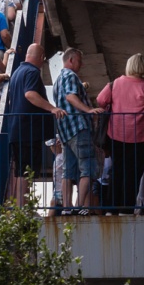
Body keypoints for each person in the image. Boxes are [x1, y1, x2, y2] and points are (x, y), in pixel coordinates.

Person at [96, 53, 144, 213]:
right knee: (133, 175)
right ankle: (126, 209)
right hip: (140, 139)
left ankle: (110, 209)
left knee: (117, 171)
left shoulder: (114, 84)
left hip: (116, 136)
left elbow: (101, 100)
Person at [6, 43, 65, 205]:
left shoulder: (17, 72)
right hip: (29, 131)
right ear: (40, 57)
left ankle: (20, 208)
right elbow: (30, 94)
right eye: (43, 59)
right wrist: (52, 108)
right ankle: (24, 209)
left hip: (16, 130)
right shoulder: (32, 72)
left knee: (20, 172)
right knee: (28, 172)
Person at [52, 48, 103, 213]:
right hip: (78, 129)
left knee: (68, 171)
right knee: (88, 168)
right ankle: (80, 206)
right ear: (71, 60)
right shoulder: (71, 76)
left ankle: (67, 207)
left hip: (65, 132)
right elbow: (70, 96)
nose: (81, 64)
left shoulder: (58, 80)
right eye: (79, 61)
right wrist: (88, 110)